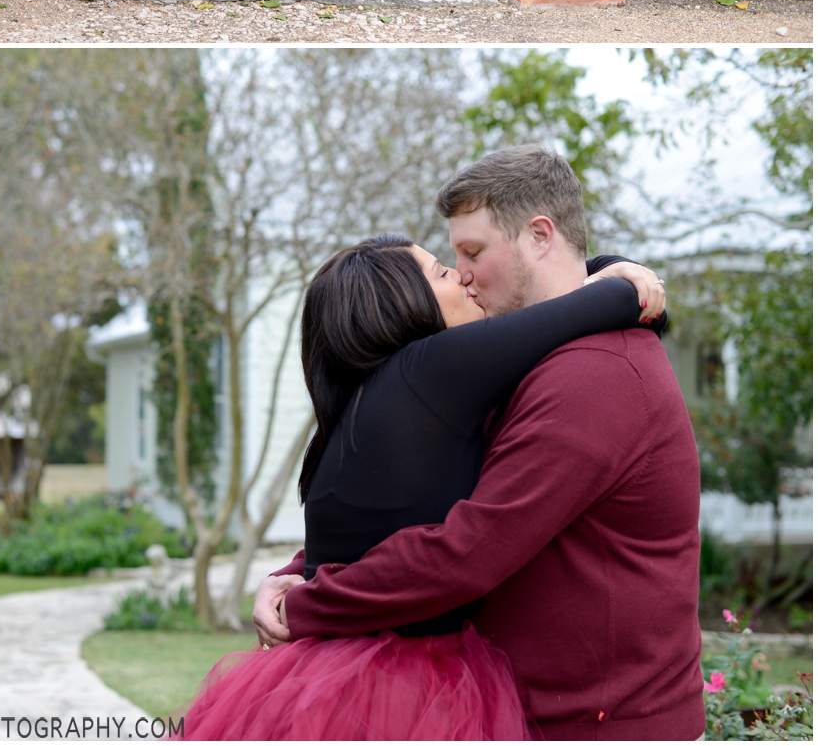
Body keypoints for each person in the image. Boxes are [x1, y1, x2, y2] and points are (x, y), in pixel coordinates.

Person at [254, 146, 705, 742]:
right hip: (512, 715)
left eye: (472, 253)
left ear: (539, 236)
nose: (461, 273)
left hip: (600, 727)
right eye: (451, 259)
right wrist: (305, 571)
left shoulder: (595, 376)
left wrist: (310, 602)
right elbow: (401, 503)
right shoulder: (511, 365)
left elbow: (468, 550)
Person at [183, 227, 666, 739]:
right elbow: (603, 305)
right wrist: (619, 271)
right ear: (403, 305)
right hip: (396, 681)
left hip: (328, 671)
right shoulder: (434, 367)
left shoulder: (368, 403)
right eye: (441, 272)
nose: (461, 275)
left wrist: (291, 580)